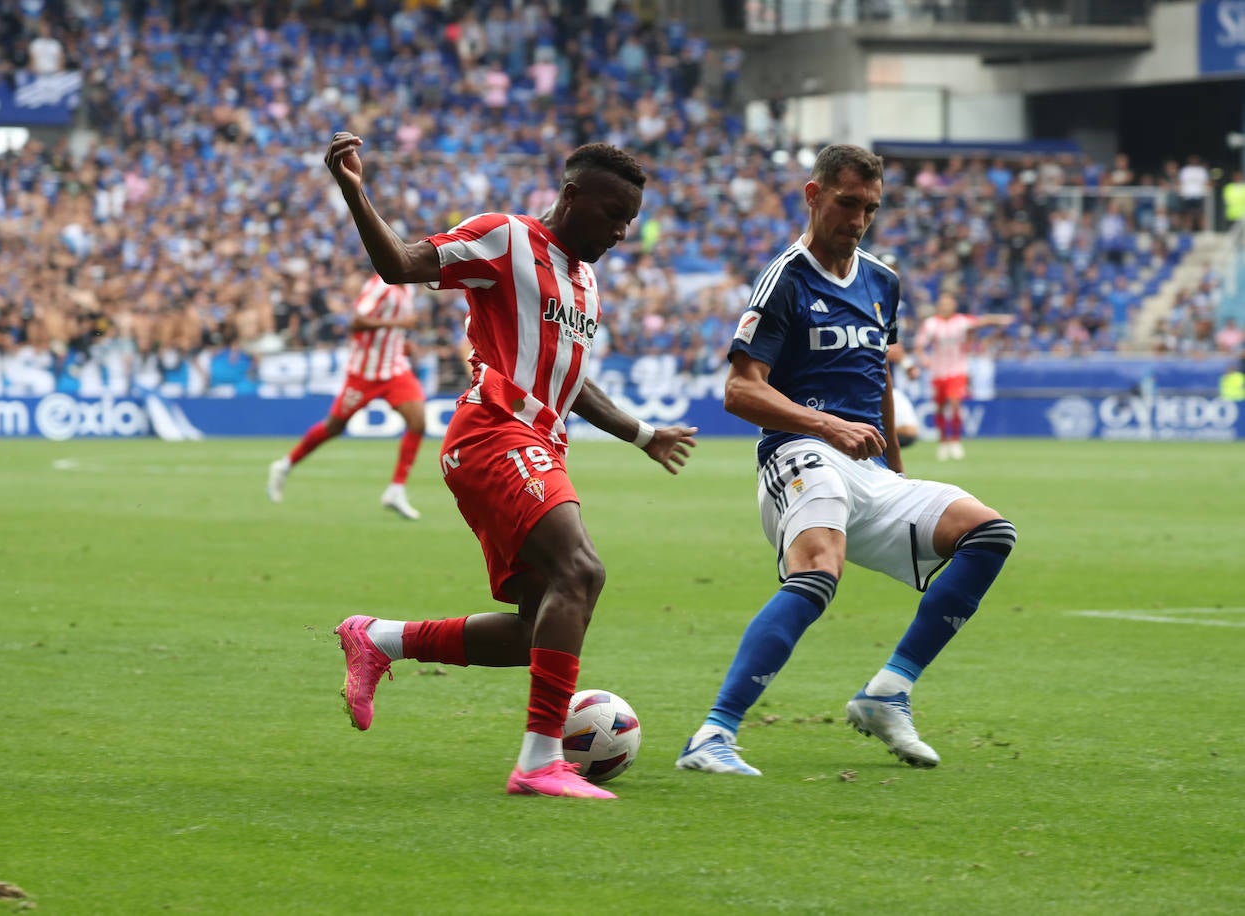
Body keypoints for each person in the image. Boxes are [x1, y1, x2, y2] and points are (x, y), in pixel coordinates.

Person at [323, 131, 698, 799]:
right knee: (581, 572)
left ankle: (380, 640)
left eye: (631, 220)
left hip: (539, 444)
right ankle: (539, 762)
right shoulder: (505, 238)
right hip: (495, 430)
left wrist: (643, 435)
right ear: (572, 195)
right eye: (614, 214)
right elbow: (401, 264)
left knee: (538, 627)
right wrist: (356, 193)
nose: (622, 232)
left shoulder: (585, 282)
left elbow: (571, 379)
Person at [674, 144, 1017, 777]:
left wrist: (896, 473)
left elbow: (878, 375)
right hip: (799, 453)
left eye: (871, 209)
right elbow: (740, 391)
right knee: (817, 574)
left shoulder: (883, 281)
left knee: (989, 533)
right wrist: (828, 424)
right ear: (814, 195)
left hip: (869, 472)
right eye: (847, 203)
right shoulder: (786, 277)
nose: (858, 220)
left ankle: (888, 692)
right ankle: (713, 734)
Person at [267, 273, 427, 519]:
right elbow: (356, 322)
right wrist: (398, 324)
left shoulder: (409, 289)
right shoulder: (380, 286)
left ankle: (396, 490)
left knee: (418, 422)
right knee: (334, 427)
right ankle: (284, 465)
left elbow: (389, 331)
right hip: (364, 372)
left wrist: (401, 343)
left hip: (395, 369)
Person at [913, 291, 1013, 460]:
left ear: (954, 305)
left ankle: (955, 441)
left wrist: (1000, 320)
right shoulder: (930, 324)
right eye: (942, 303)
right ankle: (943, 442)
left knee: (954, 403)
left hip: (957, 370)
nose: (945, 306)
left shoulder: (961, 321)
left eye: (948, 303)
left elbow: (982, 322)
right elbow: (919, 347)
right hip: (938, 372)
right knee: (940, 408)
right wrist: (924, 360)